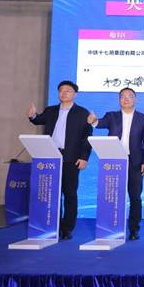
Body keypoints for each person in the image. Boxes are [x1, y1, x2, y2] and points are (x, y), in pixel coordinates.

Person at [27, 80, 92, 240]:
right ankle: (52, 224)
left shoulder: (82, 113)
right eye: (61, 90)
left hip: (71, 158)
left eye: (68, 90)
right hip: (50, 157)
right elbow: (38, 120)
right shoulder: (50, 110)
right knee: (51, 193)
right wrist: (33, 115)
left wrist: (84, 157)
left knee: (69, 193)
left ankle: (67, 228)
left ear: (75, 94)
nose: (64, 93)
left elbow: (87, 138)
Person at [87, 88, 144, 240]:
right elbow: (100, 123)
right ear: (119, 100)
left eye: (130, 96)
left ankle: (134, 229)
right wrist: (94, 121)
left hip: (135, 163)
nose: (126, 99)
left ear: (135, 99)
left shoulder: (143, 118)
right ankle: (111, 226)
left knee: (135, 197)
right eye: (123, 96)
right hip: (114, 161)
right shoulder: (111, 116)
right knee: (112, 196)